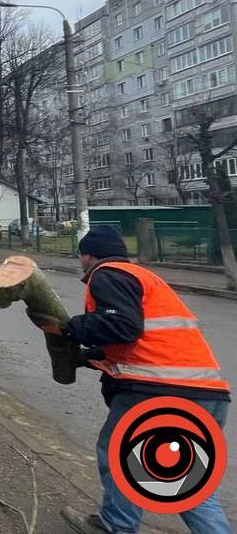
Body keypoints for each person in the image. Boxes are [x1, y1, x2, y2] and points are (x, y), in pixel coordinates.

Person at [27, 226, 231, 534]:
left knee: (118, 454)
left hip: (159, 394)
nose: (81, 262)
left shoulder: (107, 274)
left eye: (81, 256)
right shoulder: (144, 278)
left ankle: (115, 526)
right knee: (184, 481)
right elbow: (142, 342)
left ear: (88, 255)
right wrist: (89, 356)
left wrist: (69, 328)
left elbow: (122, 325)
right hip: (207, 394)